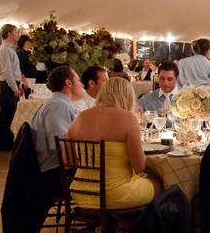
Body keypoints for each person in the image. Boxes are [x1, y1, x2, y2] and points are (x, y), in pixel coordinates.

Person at [66, 77, 160, 209]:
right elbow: (140, 167)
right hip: (115, 194)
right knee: (160, 184)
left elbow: (68, 161)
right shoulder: (128, 119)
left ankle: (116, 225)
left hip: (80, 193)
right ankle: (137, 227)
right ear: (127, 97)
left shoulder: (80, 118)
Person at [28, 65, 86, 190]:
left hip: (56, 169)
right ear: (68, 83)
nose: (82, 85)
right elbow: (60, 147)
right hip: (54, 174)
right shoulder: (58, 105)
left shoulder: (59, 103)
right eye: (79, 80)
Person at [0, 24, 27, 150]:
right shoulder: (4, 50)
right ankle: (4, 144)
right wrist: (15, 88)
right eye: (16, 32)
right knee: (7, 115)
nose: (18, 34)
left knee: (11, 114)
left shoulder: (10, 49)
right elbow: (7, 72)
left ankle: (7, 142)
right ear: (9, 34)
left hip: (11, 84)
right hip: (7, 86)